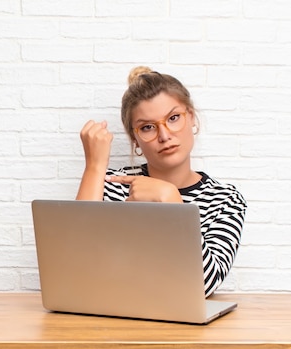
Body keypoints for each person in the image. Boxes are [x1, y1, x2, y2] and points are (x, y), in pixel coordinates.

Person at [76, 66, 247, 297]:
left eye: (174, 118)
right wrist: (94, 167)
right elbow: (78, 268)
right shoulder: (113, 185)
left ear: (192, 118)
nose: (164, 136)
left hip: (184, 328)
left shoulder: (225, 200)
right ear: (135, 139)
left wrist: (171, 199)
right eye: (147, 127)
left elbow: (203, 286)